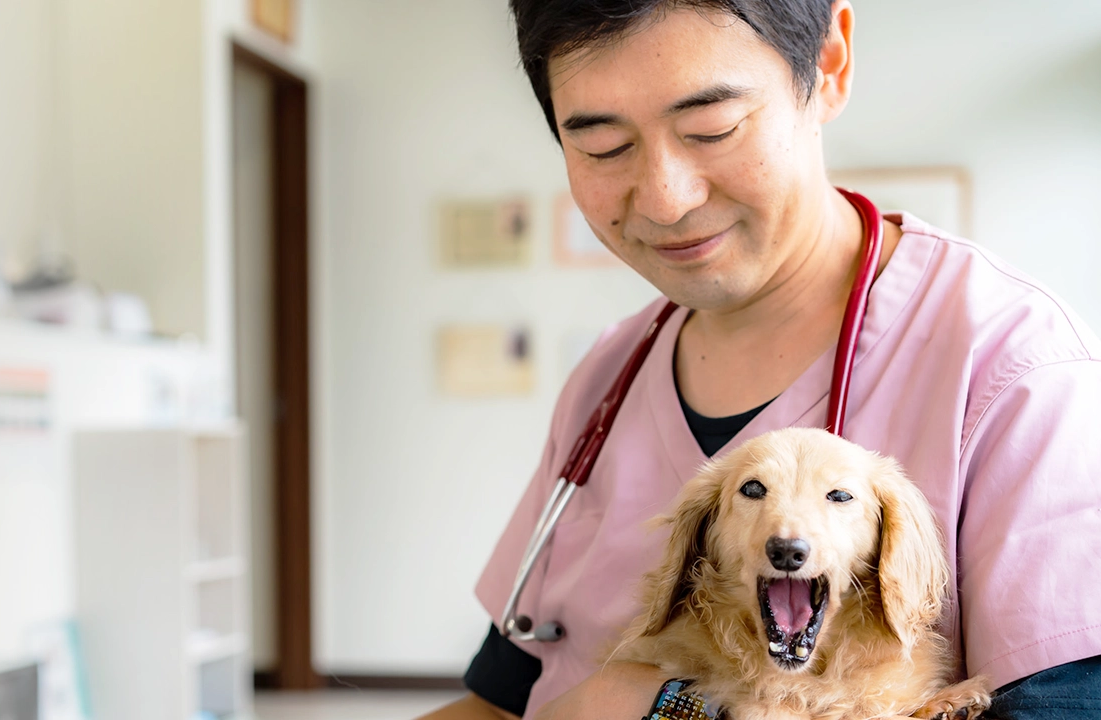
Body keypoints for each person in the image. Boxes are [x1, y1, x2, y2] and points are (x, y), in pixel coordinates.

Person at [418, 1, 1101, 719]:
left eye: (712, 128)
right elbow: (499, 699)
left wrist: (667, 708)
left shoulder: (1019, 366)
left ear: (830, 63)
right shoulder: (609, 374)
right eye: (603, 147)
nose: (665, 199)